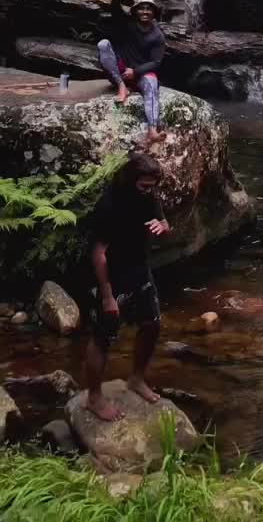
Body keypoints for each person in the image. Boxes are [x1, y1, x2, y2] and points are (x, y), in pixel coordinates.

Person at [84, 152, 170, 421]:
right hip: (111, 275)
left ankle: (136, 378)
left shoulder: (148, 196)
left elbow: (164, 223)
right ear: (131, 179)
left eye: (153, 186)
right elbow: (99, 254)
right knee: (103, 337)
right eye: (145, 186)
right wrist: (108, 297)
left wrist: (163, 226)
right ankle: (94, 398)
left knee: (151, 323)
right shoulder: (109, 205)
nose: (150, 191)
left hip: (139, 268)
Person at [97, 0, 166, 145]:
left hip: (139, 74)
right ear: (135, 11)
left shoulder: (158, 35)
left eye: (148, 9)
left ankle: (152, 130)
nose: (144, 11)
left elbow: (156, 62)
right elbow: (114, 9)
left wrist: (136, 71)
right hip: (120, 71)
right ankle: (121, 87)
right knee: (103, 44)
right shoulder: (127, 23)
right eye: (141, 8)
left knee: (152, 83)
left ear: (154, 13)